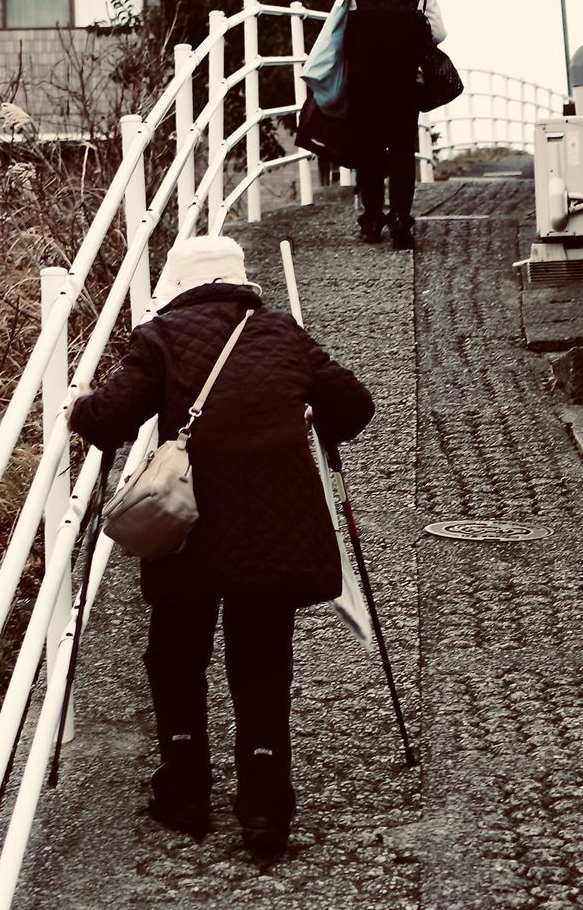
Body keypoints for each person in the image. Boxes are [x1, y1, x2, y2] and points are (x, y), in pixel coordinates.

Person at [68, 232, 373, 862]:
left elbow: (109, 421)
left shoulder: (159, 339)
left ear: (178, 286)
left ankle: (185, 788)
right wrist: (307, 415)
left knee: (176, 655)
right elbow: (354, 408)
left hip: (189, 530)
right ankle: (265, 806)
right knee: (262, 662)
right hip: (276, 531)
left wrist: (76, 406)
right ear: (240, 282)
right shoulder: (282, 331)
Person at [327, 0, 451, 249]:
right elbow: (439, 34)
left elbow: (336, 32)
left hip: (363, 84)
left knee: (368, 150)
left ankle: (371, 219)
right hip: (404, 85)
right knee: (401, 153)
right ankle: (400, 221)